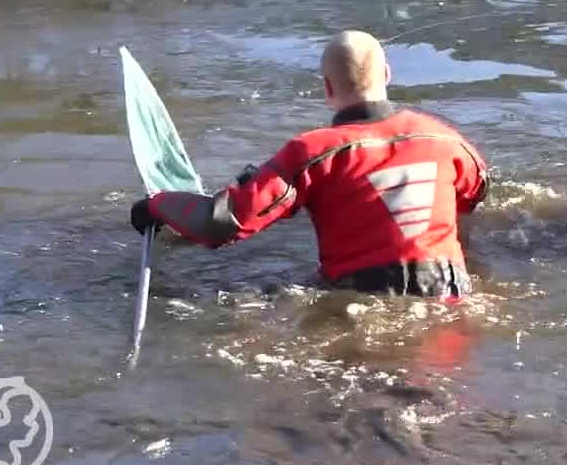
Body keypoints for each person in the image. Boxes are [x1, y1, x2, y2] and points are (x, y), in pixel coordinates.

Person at [130, 30, 490, 298]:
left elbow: (221, 223)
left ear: (327, 89)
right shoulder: (446, 140)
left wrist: (157, 204)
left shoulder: (313, 152)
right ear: (387, 75)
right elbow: (476, 192)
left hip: (362, 294)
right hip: (451, 290)